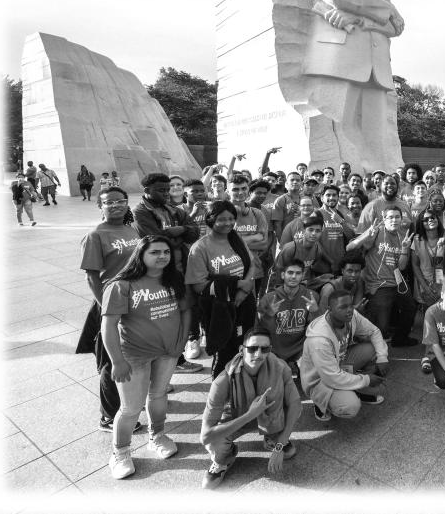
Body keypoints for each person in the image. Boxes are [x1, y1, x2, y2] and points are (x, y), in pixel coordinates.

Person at [296, 0, 405, 169]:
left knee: (379, 144)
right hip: (336, 61)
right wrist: (386, 8)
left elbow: (395, 27)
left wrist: (362, 20)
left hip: (376, 69)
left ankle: (380, 186)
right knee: (334, 137)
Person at [101, 235, 191, 478]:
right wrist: (117, 361)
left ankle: (157, 435)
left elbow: (185, 312)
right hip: (133, 356)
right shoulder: (121, 285)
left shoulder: (174, 280)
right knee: (131, 408)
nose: (162, 256)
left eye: (166, 252)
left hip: (168, 351)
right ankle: (119, 453)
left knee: (159, 394)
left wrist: (180, 344)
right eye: (155, 252)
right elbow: (108, 326)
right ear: (141, 254)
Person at [199, 326, 302, 489]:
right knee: (215, 442)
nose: (258, 354)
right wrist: (250, 414)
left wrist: (280, 444)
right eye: (252, 348)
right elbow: (205, 437)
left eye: (264, 349)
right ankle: (225, 458)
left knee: (289, 452)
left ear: (270, 350)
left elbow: (295, 404)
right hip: (237, 418)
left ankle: (271, 439)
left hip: (270, 418)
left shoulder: (280, 367)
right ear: (242, 349)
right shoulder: (223, 381)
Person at [77, 186, 141, 431]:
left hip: (135, 300)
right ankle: (109, 415)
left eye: (120, 201)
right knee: (111, 360)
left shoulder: (130, 228)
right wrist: (108, 311)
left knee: (131, 353)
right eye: (109, 202)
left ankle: (130, 400)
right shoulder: (96, 235)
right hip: (111, 304)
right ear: (100, 206)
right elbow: (92, 277)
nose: (115, 205)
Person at [185, 201, 260, 377]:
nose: (228, 223)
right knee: (224, 349)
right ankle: (220, 392)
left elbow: (251, 265)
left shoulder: (236, 238)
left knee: (245, 343)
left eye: (231, 218)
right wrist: (236, 285)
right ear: (210, 219)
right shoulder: (200, 248)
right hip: (219, 309)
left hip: (244, 301)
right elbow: (198, 285)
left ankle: (242, 383)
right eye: (222, 219)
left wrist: (242, 291)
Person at [299, 288, 389, 420]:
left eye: (351, 305)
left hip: (339, 363)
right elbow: (332, 377)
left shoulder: (352, 316)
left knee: (375, 349)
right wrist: (367, 380)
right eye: (343, 307)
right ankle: (321, 403)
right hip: (320, 379)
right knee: (350, 406)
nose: (349, 310)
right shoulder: (319, 340)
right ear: (329, 309)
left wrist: (382, 357)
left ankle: (355, 389)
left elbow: (373, 331)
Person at [347, 207, 418, 346]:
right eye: (390, 217)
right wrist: (367, 235)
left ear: (401, 219)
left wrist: (404, 249)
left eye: (397, 217)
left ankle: (400, 339)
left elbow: (402, 267)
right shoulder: (376, 231)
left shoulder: (403, 236)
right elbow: (350, 248)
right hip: (378, 284)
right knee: (382, 328)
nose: (394, 220)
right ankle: (373, 345)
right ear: (384, 219)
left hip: (396, 282)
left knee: (410, 307)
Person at [255, 261, 320, 377]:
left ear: (303, 275)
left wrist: (315, 312)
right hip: (275, 350)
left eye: (298, 273)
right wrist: (269, 314)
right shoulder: (269, 298)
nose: (294, 276)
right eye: (290, 273)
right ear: (282, 275)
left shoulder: (311, 296)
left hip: (300, 349)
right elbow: (260, 331)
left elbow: (317, 329)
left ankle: (297, 366)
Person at [411, 208, 445, 308]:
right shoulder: (417, 240)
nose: (430, 220)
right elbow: (415, 265)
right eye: (426, 219)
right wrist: (426, 287)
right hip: (425, 287)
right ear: (421, 223)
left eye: (433, 217)